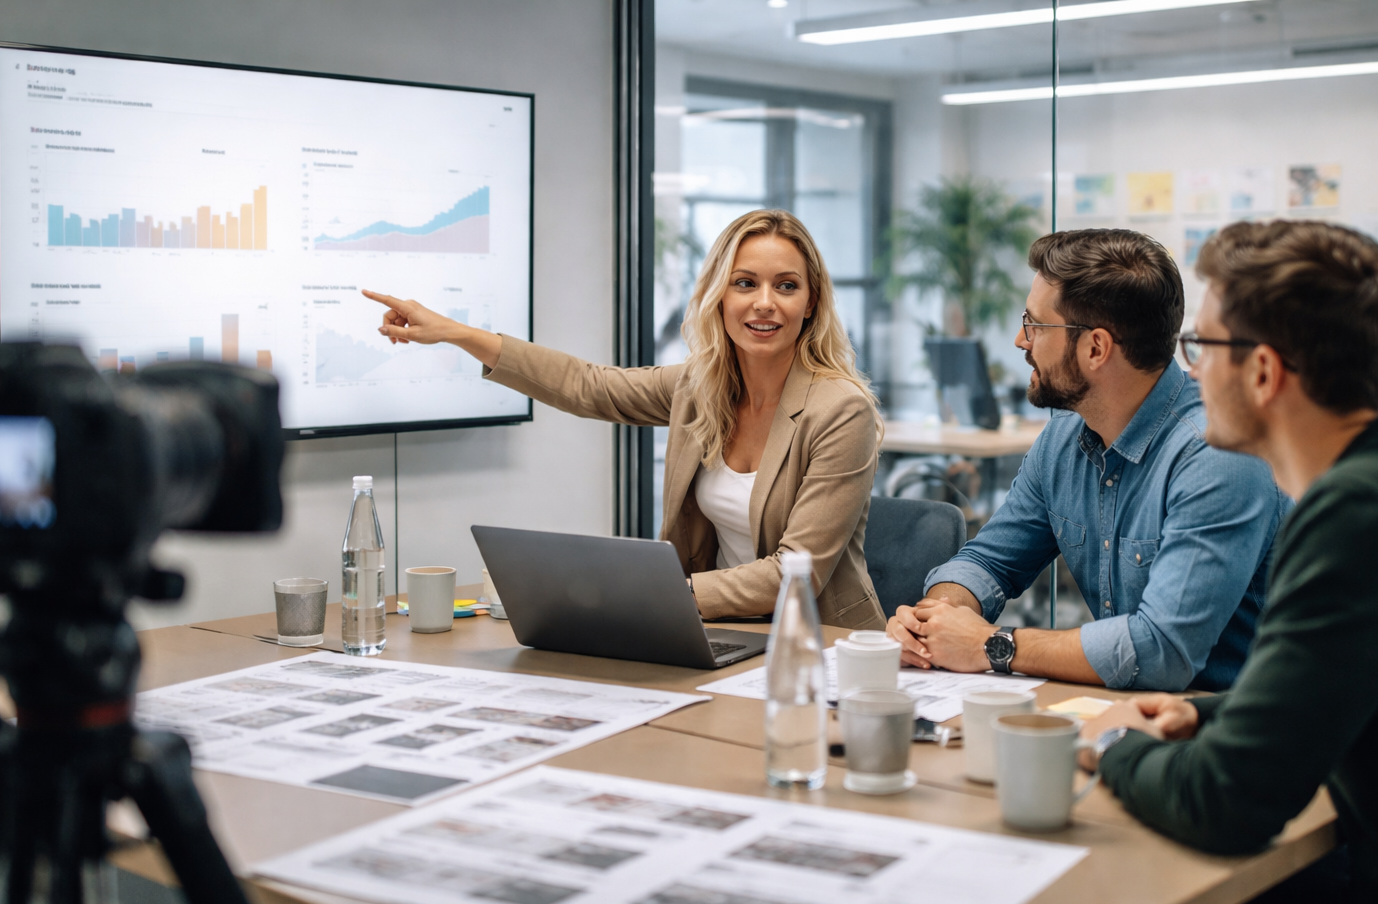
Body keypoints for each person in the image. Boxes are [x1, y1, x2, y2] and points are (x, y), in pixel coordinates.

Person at [1058, 220, 1378, 904]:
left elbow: (1228, 804)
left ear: (1263, 372)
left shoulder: (1360, 514)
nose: (1186, 373)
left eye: (1199, 348)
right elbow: (1348, 694)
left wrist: (1110, 750)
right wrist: (1210, 715)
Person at [362, 209, 886, 629]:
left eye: (787, 286)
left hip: (823, 647)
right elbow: (590, 385)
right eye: (745, 283)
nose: (764, 304)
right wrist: (458, 333)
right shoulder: (698, 387)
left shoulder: (840, 410)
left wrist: (660, 595)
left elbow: (794, 573)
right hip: (727, 634)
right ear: (719, 296)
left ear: (812, 301)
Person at [888, 229, 1288, 690]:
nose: (1021, 340)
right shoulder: (1064, 436)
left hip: (1222, 727)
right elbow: (990, 560)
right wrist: (933, 621)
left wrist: (991, 645)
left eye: (1035, 324)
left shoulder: (1217, 456)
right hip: (1121, 711)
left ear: (1096, 348)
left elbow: (1161, 651)